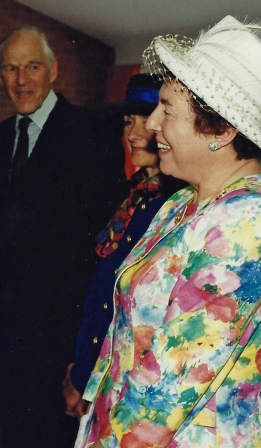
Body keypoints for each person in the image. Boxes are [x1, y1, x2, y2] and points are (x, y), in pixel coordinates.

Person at [77, 15, 261, 448]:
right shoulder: (181, 203)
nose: (152, 123)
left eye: (167, 110)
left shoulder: (250, 225)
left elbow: (168, 389)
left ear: (222, 130)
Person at [0, 25, 127, 448]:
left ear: (53, 70)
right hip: (11, 331)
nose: (21, 79)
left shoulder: (89, 132)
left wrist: (85, 345)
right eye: (11, 69)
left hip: (64, 330)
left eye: (32, 66)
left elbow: (104, 240)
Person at [62, 73, 185, 419]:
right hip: (95, 371)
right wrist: (81, 366)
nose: (132, 133)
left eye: (145, 121)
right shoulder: (134, 196)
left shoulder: (172, 206)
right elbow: (102, 292)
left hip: (127, 386)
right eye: (129, 122)